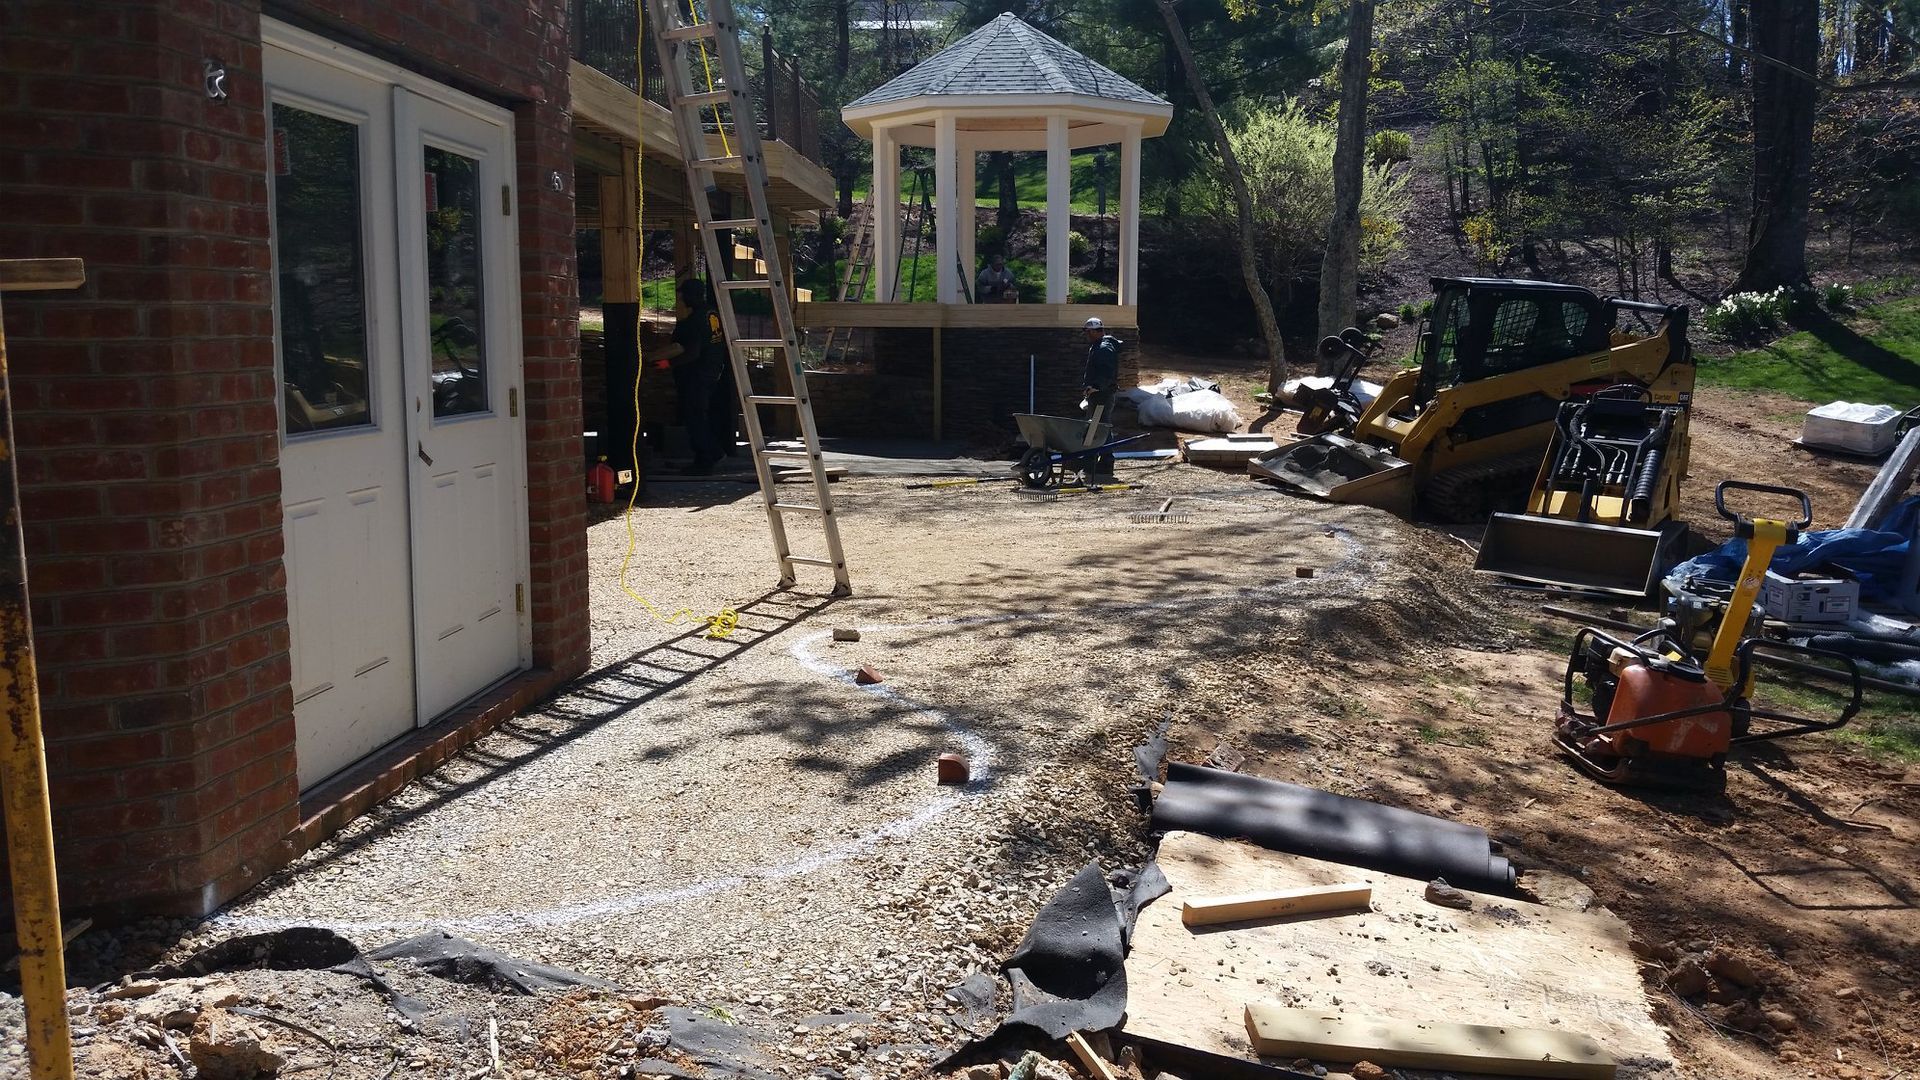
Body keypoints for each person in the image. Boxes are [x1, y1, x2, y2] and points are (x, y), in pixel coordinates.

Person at [656, 277, 727, 474]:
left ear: (691, 295)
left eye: (683, 295)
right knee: (701, 416)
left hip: (697, 376)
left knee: (694, 417)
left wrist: (666, 363)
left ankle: (705, 459)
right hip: (712, 372)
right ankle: (714, 451)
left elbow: (691, 352)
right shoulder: (712, 314)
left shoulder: (694, 321)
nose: (681, 299)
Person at [1081, 316, 1122, 482]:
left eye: (1088, 332)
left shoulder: (1104, 348)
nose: (1087, 335)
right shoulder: (1098, 346)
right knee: (1099, 426)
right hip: (1098, 393)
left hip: (1102, 394)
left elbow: (1107, 372)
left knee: (1101, 426)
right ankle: (1098, 460)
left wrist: (1096, 386)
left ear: (1095, 331)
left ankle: (1105, 461)